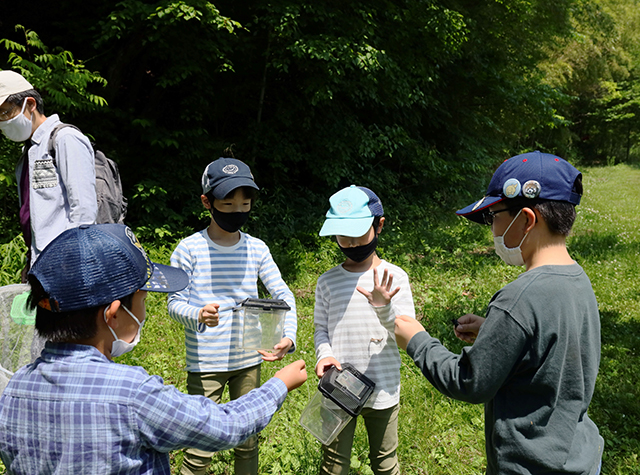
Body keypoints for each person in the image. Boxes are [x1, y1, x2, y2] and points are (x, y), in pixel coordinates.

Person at [0, 223, 307, 475]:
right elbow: (226, 426)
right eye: (143, 301)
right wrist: (279, 384)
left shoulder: (13, 392)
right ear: (114, 314)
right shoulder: (132, 394)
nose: (144, 313)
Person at [395, 151, 603, 475]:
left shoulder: (518, 300)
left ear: (526, 220)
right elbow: (553, 345)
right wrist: (495, 331)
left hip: (528, 466)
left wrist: (416, 340)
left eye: (494, 217)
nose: (491, 228)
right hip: (576, 457)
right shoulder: (577, 280)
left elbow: (469, 381)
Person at [167, 157, 298, 475]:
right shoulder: (189, 249)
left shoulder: (257, 249)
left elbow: (284, 295)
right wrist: (197, 313)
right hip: (206, 363)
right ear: (207, 202)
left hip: (249, 358)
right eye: (227, 203)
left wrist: (288, 336)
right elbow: (174, 303)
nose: (237, 210)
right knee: (200, 442)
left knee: (248, 439)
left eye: (246, 203)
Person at [314, 185, 416, 475]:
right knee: (334, 465)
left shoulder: (394, 277)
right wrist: (324, 355)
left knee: (385, 462)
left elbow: (405, 331)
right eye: (342, 235)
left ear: (379, 225)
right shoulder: (328, 281)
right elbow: (321, 329)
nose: (350, 242)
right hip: (339, 387)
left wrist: (384, 306)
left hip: (383, 385)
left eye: (359, 234)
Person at [0, 70, 97, 281]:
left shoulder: (65, 139)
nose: (3, 122)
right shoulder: (28, 153)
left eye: (6, 113)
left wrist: (71, 265)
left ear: (30, 104)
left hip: (67, 267)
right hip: (40, 266)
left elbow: (84, 211)